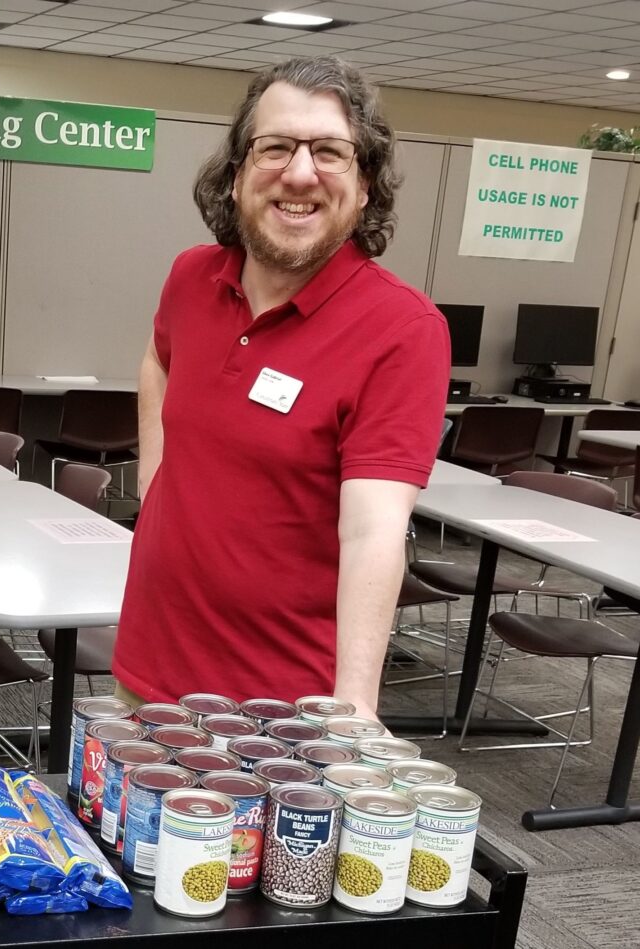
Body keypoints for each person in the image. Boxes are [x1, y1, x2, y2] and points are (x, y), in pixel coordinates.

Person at [112, 56, 449, 722]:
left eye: (329, 152)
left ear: (365, 184)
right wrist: (157, 489)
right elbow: (157, 361)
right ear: (236, 174)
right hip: (146, 667)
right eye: (275, 148)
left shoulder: (403, 330)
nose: (299, 173)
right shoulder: (192, 277)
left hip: (275, 715)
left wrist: (355, 704)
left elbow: (374, 528)